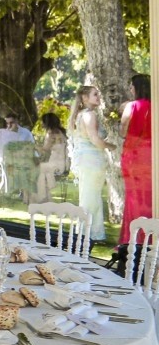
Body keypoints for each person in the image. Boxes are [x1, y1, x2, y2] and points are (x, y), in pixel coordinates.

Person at [70, 85, 116, 242]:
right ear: (85, 98)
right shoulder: (89, 115)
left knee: (89, 196)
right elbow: (95, 140)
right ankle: (88, 233)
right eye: (95, 94)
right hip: (92, 161)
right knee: (91, 198)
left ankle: (86, 232)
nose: (98, 97)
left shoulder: (81, 115)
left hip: (87, 161)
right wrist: (111, 146)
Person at [120, 73, 151, 253]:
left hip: (134, 155)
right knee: (148, 196)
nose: (130, 90)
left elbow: (123, 132)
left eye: (132, 86)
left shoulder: (131, 106)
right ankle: (150, 237)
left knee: (133, 197)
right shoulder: (155, 107)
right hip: (151, 155)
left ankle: (132, 239)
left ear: (137, 88)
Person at [33, 112, 68, 204]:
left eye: (42, 122)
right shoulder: (61, 132)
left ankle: (43, 199)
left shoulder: (51, 134)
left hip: (55, 165)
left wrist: (34, 146)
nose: (41, 124)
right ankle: (46, 199)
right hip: (64, 165)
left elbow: (44, 150)